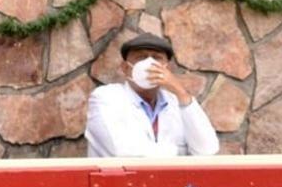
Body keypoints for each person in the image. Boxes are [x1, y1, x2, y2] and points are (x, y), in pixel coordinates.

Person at [85, 32, 220, 158]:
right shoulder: (106, 97)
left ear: (167, 68)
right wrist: (179, 152)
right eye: (141, 57)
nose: (149, 64)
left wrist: (182, 93)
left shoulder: (177, 102)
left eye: (157, 58)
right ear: (125, 68)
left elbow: (207, 150)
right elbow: (121, 151)